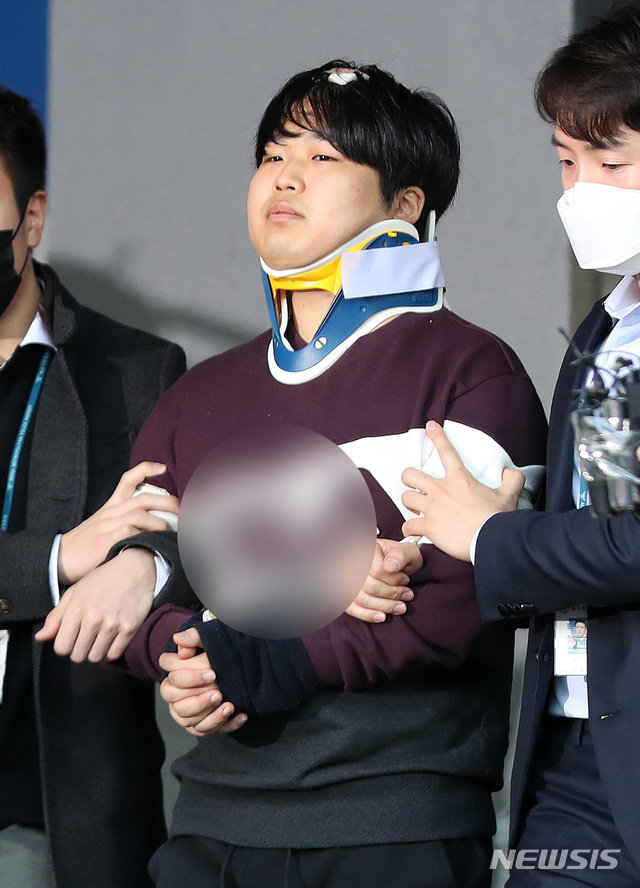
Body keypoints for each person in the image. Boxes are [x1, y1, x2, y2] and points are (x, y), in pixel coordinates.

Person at [57, 60, 546, 887]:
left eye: (324, 156)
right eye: (273, 153)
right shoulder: (200, 394)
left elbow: (460, 599)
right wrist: (185, 653)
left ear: (405, 205)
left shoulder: (471, 371)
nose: (284, 175)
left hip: (394, 826)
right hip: (210, 823)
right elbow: (135, 584)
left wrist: (263, 657)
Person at [399, 5, 640, 885]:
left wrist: (491, 536)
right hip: (577, 742)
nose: (581, 190)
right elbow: (608, 515)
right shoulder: (606, 328)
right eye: (567, 161)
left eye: (612, 162)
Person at [0, 85, 187, 887]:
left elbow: (176, 538)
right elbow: (78, 556)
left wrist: (142, 558)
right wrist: (58, 558)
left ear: (31, 217)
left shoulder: (137, 372)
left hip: (58, 817)